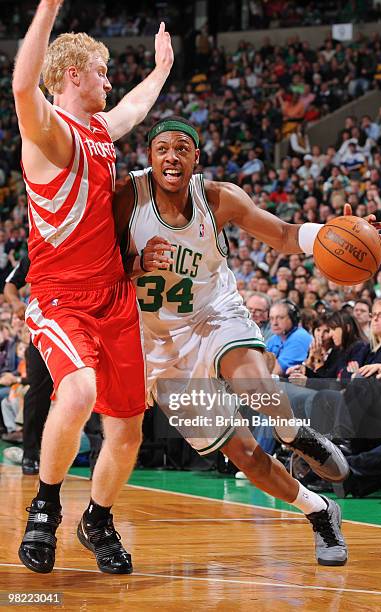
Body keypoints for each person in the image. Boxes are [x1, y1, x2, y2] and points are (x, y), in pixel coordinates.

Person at [114, 117, 381, 566]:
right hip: (157, 347)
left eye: (183, 148)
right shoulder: (127, 198)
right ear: (149, 157)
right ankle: (320, 511)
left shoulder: (218, 198)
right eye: (163, 148)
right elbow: (99, 268)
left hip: (213, 315)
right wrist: (135, 262)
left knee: (257, 387)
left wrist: (347, 233)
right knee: (243, 454)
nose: (172, 157)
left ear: (196, 158)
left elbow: (280, 234)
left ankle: (293, 432)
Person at [13, 0, 173, 575]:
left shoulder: (100, 133)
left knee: (128, 429)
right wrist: (50, 8)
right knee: (77, 394)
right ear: (74, 75)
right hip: (62, 300)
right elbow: (23, 84)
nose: (111, 81)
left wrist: (159, 73)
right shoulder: (49, 134)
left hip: (115, 297)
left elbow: (133, 107)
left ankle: (97, 518)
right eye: (103, 71)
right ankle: (45, 508)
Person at [3, 256, 53, 474]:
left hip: (80, 324)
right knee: (38, 390)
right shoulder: (37, 250)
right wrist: (15, 304)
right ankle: (31, 454)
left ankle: (95, 456)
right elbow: (10, 285)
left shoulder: (87, 242)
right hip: (43, 328)